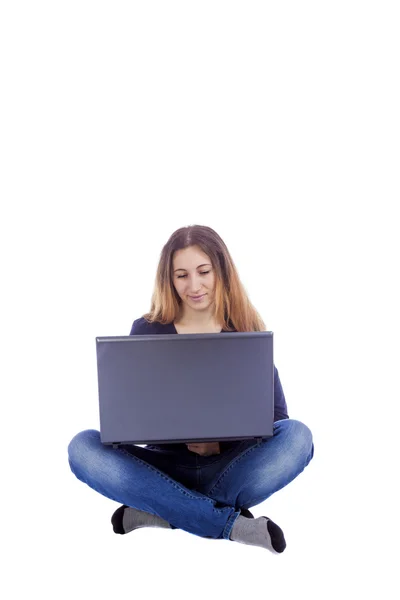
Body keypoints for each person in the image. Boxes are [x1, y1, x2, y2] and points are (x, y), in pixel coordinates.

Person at [68, 224, 314, 553]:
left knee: (298, 436)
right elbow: (127, 421)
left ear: (220, 270)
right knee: (82, 447)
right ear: (169, 279)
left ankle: (165, 512)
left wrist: (218, 439)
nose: (194, 285)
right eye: (181, 275)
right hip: (163, 468)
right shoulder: (147, 330)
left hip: (228, 468)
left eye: (203, 271)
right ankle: (228, 524)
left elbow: (277, 417)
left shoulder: (244, 330)